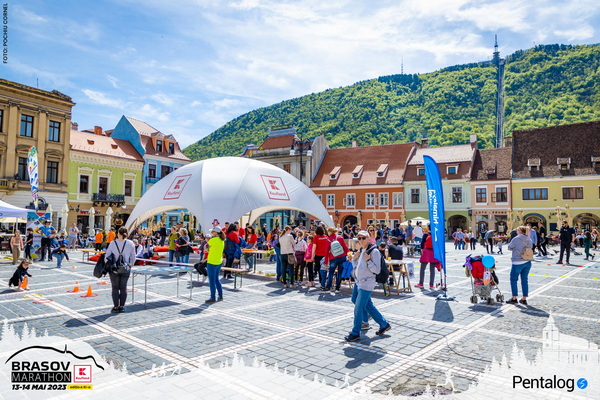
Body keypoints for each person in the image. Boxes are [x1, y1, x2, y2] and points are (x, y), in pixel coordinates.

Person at [345, 230, 391, 342]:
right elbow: (357, 267)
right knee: (357, 300)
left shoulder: (374, 252)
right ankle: (383, 324)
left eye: (363, 238)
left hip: (367, 283)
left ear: (368, 238)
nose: (361, 240)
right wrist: (354, 258)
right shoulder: (361, 250)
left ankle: (355, 332)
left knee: (359, 307)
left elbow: (377, 270)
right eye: (359, 238)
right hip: (359, 281)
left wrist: (368, 260)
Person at [105, 227, 136, 313]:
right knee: (123, 287)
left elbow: (107, 256)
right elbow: (133, 256)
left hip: (114, 268)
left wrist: (108, 264)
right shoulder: (130, 243)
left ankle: (115, 307)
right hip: (125, 268)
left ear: (118, 233)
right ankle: (122, 307)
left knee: (115, 287)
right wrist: (131, 264)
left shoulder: (112, 243)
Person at [506, 226, 533, 305]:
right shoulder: (529, 239)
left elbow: (509, 247)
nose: (516, 231)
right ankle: (524, 298)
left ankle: (514, 298)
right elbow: (530, 247)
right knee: (524, 280)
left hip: (517, 261)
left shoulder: (516, 239)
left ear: (520, 231)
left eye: (517, 230)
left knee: (513, 279)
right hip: (527, 261)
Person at [325, 226, 350, 293]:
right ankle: (337, 288)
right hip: (342, 256)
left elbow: (326, 251)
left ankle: (328, 288)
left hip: (333, 257)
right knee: (340, 273)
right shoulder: (340, 237)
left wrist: (326, 260)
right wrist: (348, 254)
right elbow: (345, 246)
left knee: (331, 273)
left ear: (329, 232)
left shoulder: (329, 239)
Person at [205, 226, 225, 304]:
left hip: (211, 261)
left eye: (212, 232)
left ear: (216, 232)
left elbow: (206, 248)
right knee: (217, 280)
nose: (211, 233)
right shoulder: (222, 240)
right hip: (219, 261)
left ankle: (212, 297)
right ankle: (220, 296)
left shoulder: (213, 240)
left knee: (212, 281)